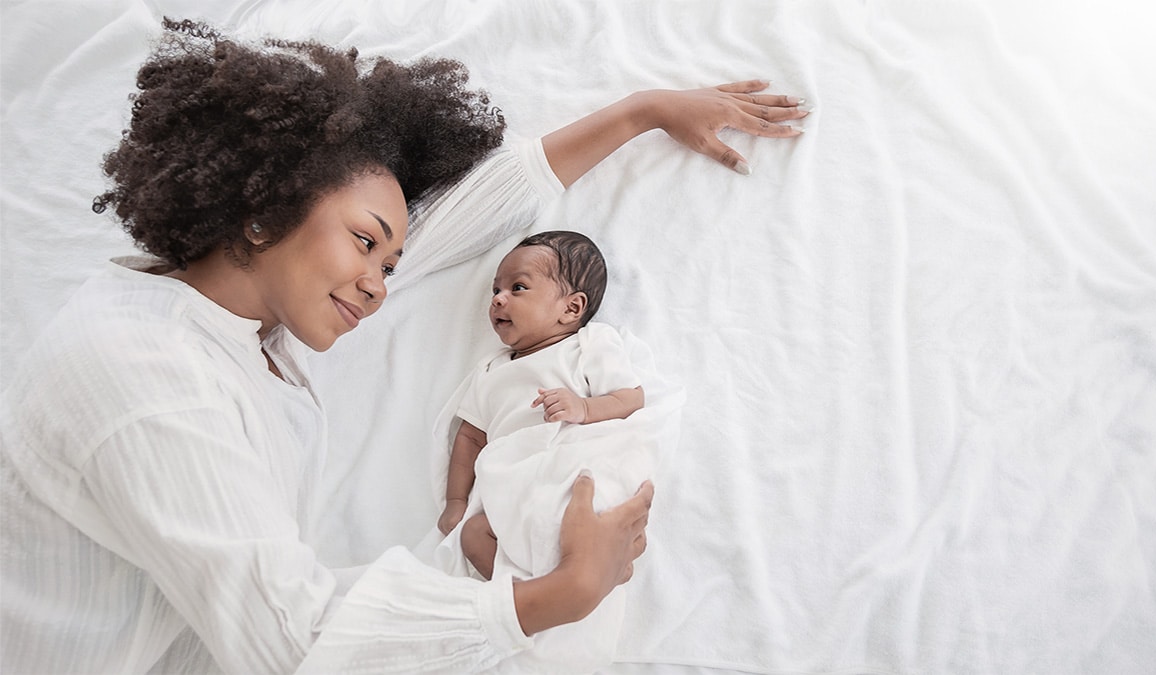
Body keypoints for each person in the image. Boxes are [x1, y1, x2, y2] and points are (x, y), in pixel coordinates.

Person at [0, 18, 808, 675]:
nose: (382, 283)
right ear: (261, 210)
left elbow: (454, 223)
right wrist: (563, 593)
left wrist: (643, 112)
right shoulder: (145, 374)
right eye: (364, 244)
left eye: (387, 262)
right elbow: (295, 641)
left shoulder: (245, 309)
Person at [438, 230, 645, 580]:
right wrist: (456, 502)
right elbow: (471, 439)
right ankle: (529, 599)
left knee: (601, 509)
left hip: (570, 481)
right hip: (516, 491)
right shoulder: (492, 369)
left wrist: (584, 408)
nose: (499, 299)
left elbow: (631, 399)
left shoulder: (589, 345)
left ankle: (598, 565)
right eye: (495, 290)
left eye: (517, 287)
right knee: (472, 535)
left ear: (572, 308)